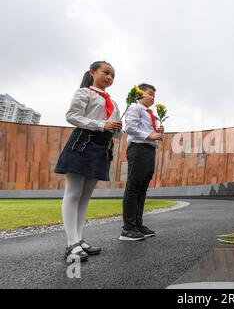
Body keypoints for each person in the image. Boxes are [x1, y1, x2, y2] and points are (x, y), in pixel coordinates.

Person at [55, 61, 122, 262]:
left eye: (113, 75)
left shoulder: (114, 102)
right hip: (82, 144)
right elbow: (72, 116)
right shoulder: (84, 93)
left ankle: (79, 239)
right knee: (74, 192)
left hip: (101, 148)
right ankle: (71, 244)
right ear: (93, 72)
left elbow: (114, 131)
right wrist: (103, 124)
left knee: (85, 196)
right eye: (106, 73)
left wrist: (116, 128)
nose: (110, 78)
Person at [120, 83, 164, 241]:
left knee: (142, 189)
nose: (152, 98)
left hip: (148, 150)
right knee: (133, 188)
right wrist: (150, 136)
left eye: (154, 96)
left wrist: (157, 134)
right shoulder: (135, 108)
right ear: (140, 94)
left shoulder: (149, 113)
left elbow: (146, 132)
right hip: (138, 149)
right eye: (150, 94)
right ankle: (128, 228)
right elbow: (130, 128)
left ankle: (138, 224)